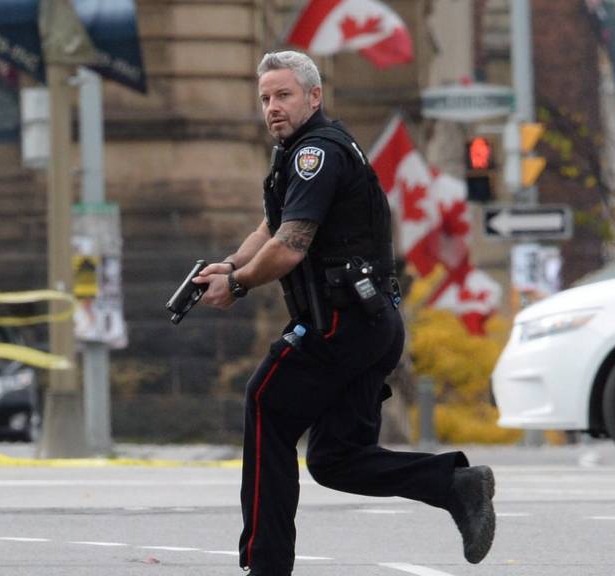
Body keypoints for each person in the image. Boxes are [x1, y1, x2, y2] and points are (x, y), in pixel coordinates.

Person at [192, 50, 495, 576]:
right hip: (365, 324)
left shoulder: (316, 153)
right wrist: (229, 264)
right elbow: (271, 229)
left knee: (266, 403)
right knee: (336, 459)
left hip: (340, 324)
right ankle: (455, 485)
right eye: (265, 98)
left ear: (314, 95)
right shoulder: (297, 153)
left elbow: (290, 246)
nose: (272, 108)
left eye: (283, 95)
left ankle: (267, 566)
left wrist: (237, 285)